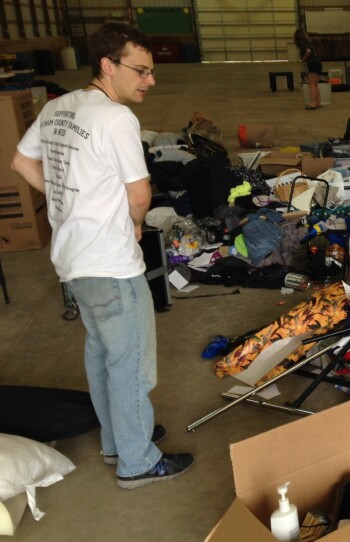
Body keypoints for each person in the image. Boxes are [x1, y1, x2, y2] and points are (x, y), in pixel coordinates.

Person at [11, 22, 194, 489]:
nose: (149, 81)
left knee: (102, 354)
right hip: (110, 263)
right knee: (130, 363)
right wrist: (134, 225)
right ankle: (138, 461)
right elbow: (139, 192)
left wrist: (67, 203)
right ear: (108, 66)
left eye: (152, 72)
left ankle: (118, 441)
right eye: (141, 71)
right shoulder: (115, 118)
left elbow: (20, 161)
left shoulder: (58, 108)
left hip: (72, 258)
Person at [294, 28, 322, 110]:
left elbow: (308, 51)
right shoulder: (308, 42)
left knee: (311, 84)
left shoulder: (301, 42)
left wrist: (303, 59)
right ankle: (318, 102)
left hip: (312, 63)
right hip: (318, 63)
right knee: (315, 84)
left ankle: (313, 103)